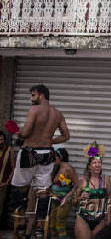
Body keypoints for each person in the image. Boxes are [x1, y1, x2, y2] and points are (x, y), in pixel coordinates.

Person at [10, 84, 70, 236]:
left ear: (41, 95)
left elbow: (26, 132)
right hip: (47, 153)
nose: (31, 99)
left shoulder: (34, 110)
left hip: (30, 152)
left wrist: (17, 132)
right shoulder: (57, 113)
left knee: (21, 187)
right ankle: (40, 223)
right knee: (43, 190)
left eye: (33, 95)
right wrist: (49, 141)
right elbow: (66, 136)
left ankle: (22, 221)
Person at [74, 142, 111, 239]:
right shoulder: (82, 180)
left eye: (99, 162)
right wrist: (80, 197)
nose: (97, 165)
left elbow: (109, 199)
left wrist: (109, 218)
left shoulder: (106, 179)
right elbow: (73, 201)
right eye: (94, 162)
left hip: (100, 218)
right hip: (83, 218)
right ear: (89, 166)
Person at [50, 148, 78, 238]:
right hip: (55, 199)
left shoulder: (68, 169)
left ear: (60, 157)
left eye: (55, 157)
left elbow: (77, 185)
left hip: (64, 201)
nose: (54, 159)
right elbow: (58, 183)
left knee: (59, 224)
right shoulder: (58, 168)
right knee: (52, 224)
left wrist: (68, 196)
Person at [0, 130, 15, 222]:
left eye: (2, 139)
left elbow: (14, 168)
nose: (0, 142)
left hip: (2, 185)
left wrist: (6, 182)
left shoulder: (9, 151)